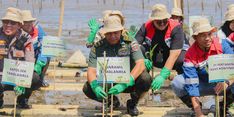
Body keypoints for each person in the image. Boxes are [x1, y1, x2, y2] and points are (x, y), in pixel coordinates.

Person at [83, 15, 152, 116]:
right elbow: (91, 70)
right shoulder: (97, 47)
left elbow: (140, 64)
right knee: (87, 88)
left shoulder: (130, 42)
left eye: (116, 33)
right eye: (109, 33)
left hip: (129, 81)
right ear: (104, 33)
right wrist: (95, 86)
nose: (113, 36)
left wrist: (126, 82)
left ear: (121, 31)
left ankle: (132, 103)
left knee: (146, 79)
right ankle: (111, 101)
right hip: (108, 81)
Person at [171, 17, 234, 117]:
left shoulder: (222, 44)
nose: (207, 38)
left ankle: (223, 106)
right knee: (178, 82)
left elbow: (233, 67)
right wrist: (199, 114)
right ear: (195, 38)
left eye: (209, 34)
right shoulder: (190, 55)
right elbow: (192, 84)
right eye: (203, 36)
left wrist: (227, 81)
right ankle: (196, 107)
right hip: (202, 84)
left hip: (223, 84)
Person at [135, 4, 189, 90]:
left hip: (172, 57)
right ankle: (142, 85)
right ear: (153, 20)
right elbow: (134, 45)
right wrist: (141, 59)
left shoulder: (176, 28)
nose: (162, 23)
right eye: (159, 21)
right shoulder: (146, 26)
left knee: (182, 59)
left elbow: (174, 55)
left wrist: (163, 75)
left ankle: (184, 86)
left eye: (165, 20)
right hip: (154, 57)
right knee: (139, 50)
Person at [0, 7, 42, 109]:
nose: (8, 25)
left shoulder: (26, 38)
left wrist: (23, 81)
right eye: (6, 22)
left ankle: (22, 99)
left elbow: (29, 61)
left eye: (13, 23)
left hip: (18, 76)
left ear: (19, 25)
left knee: (35, 78)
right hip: (1, 76)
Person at [21, 10, 50, 87]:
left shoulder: (38, 29)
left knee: (47, 56)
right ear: (21, 24)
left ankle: (41, 78)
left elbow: (45, 46)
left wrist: (40, 63)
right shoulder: (18, 31)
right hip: (22, 57)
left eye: (30, 22)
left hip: (35, 55)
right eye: (26, 22)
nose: (29, 24)